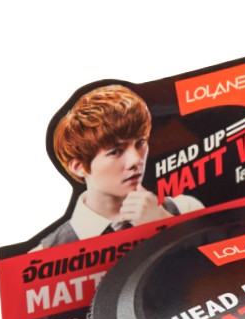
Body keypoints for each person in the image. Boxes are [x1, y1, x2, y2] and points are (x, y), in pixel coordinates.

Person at [38, 85, 203, 248]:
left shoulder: (185, 208)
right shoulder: (45, 253)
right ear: (79, 167)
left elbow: (211, 261)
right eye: (116, 151)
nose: (136, 160)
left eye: (140, 143)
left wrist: (165, 224)